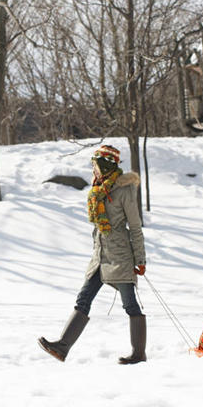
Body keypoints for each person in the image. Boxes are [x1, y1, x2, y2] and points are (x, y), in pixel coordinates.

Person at [38, 145, 147, 364]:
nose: (94, 171)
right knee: (83, 299)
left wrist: (140, 259)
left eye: (96, 166)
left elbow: (135, 227)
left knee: (130, 305)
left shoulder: (124, 190)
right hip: (100, 256)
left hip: (120, 257)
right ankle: (62, 347)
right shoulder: (98, 190)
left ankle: (138, 354)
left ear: (105, 165)